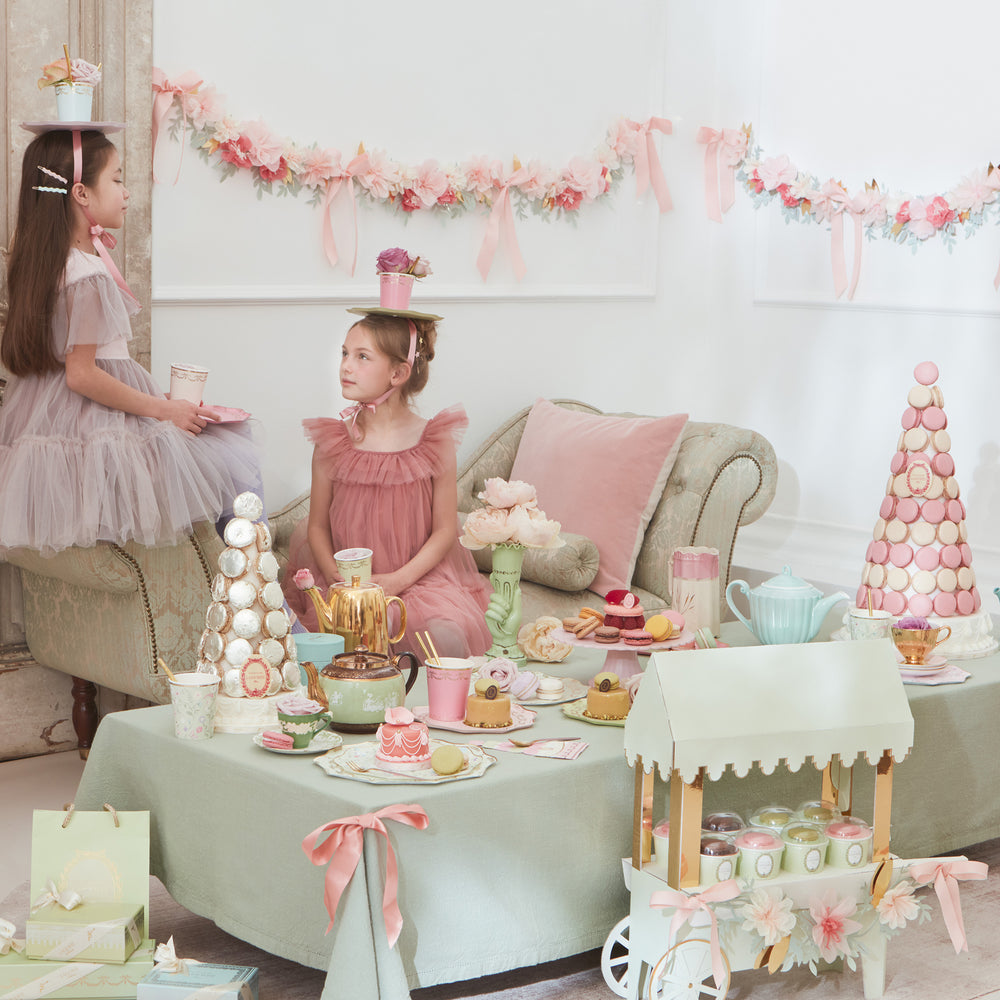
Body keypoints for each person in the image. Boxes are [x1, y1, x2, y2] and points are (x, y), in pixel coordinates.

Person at [0, 126, 262, 556]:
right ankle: (254, 583)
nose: (126, 192)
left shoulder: (47, 264)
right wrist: (164, 409)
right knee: (232, 458)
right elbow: (82, 375)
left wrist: (160, 402)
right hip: (94, 421)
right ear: (81, 194)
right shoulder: (87, 275)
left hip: (60, 419)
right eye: (117, 179)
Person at [282, 305, 492, 659]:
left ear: (398, 373)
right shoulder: (333, 443)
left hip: (416, 580)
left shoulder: (433, 441)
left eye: (362, 357)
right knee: (338, 642)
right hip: (347, 584)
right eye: (345, 354)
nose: (346, 366)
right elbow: (317, 526)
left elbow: (444, 530)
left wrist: (397, 581)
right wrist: (338, 581)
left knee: (443, 635)